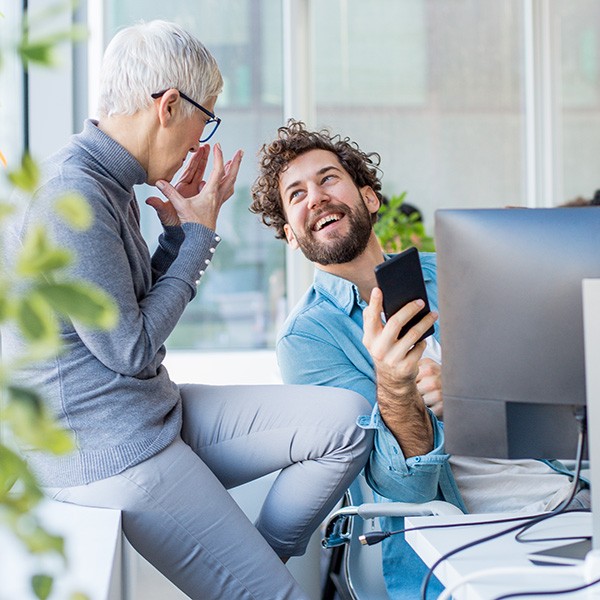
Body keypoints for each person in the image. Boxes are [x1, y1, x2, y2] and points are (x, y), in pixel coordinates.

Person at [1, 24, 373, 600]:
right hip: (113, 451)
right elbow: (129, 350)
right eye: (208, 118)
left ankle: (254, 567)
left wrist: (178, 237)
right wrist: (198, 237)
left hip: (150, 412)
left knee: (348, 422)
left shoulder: (108, 180)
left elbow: (128, 314)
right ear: (169, 106)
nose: (204, 138)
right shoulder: (71, 195)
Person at [250, 119, 590, 598]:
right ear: (290, 233)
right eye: (297, 194)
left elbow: (563, 397)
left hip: (569, 498)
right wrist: (395, 384)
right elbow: (402, 490)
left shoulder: (460, 270)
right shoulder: (308, 339)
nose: (317, 197)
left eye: (328, 179)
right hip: (469, 540)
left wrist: (542, 270)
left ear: (368, 197)